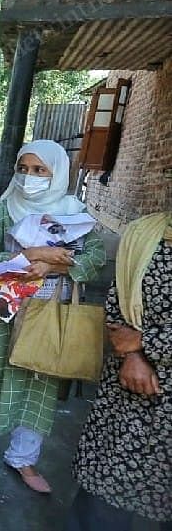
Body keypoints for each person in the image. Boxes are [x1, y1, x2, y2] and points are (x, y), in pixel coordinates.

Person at [0, 140, 106, 493]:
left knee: (42, 379)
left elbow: (96, 254)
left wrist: (59, 262)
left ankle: (23, 458)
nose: (29, 177)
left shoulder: (74, 211)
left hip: (51, 307)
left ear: (57, 174)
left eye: (40, 170)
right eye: (23, 168)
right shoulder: (1, 210)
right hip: (4, 308)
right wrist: (28, 259)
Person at [66, 211, 171, 530]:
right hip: (131, 388)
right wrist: (134, 355)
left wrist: (146, 342)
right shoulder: (144, 232)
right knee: (102, 504)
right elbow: (118, 299)